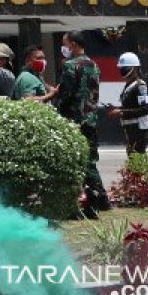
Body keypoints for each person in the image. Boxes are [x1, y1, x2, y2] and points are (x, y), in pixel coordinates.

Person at [46, 30, 110, 218]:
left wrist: (56, 112)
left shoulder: (70, 66)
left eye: (65, 44)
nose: (63, 48)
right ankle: (100, 200)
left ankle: (73, 204)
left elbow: (65, 96)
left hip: (73, 122)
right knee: (90, 161)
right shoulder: (94, 65)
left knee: (72, 163)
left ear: (72, 44)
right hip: (90, 120)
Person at [108, 52, 148, 155]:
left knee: (137, 162)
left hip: (139, 130)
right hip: (130, 130)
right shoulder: (128, 86)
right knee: (132, 160)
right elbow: (130, 106)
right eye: (121, 67)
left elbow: (145, 109)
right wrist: (117, 108)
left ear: (135, 68)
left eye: (125, 67)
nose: (122, 70)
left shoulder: (140, 86)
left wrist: (121, 113)